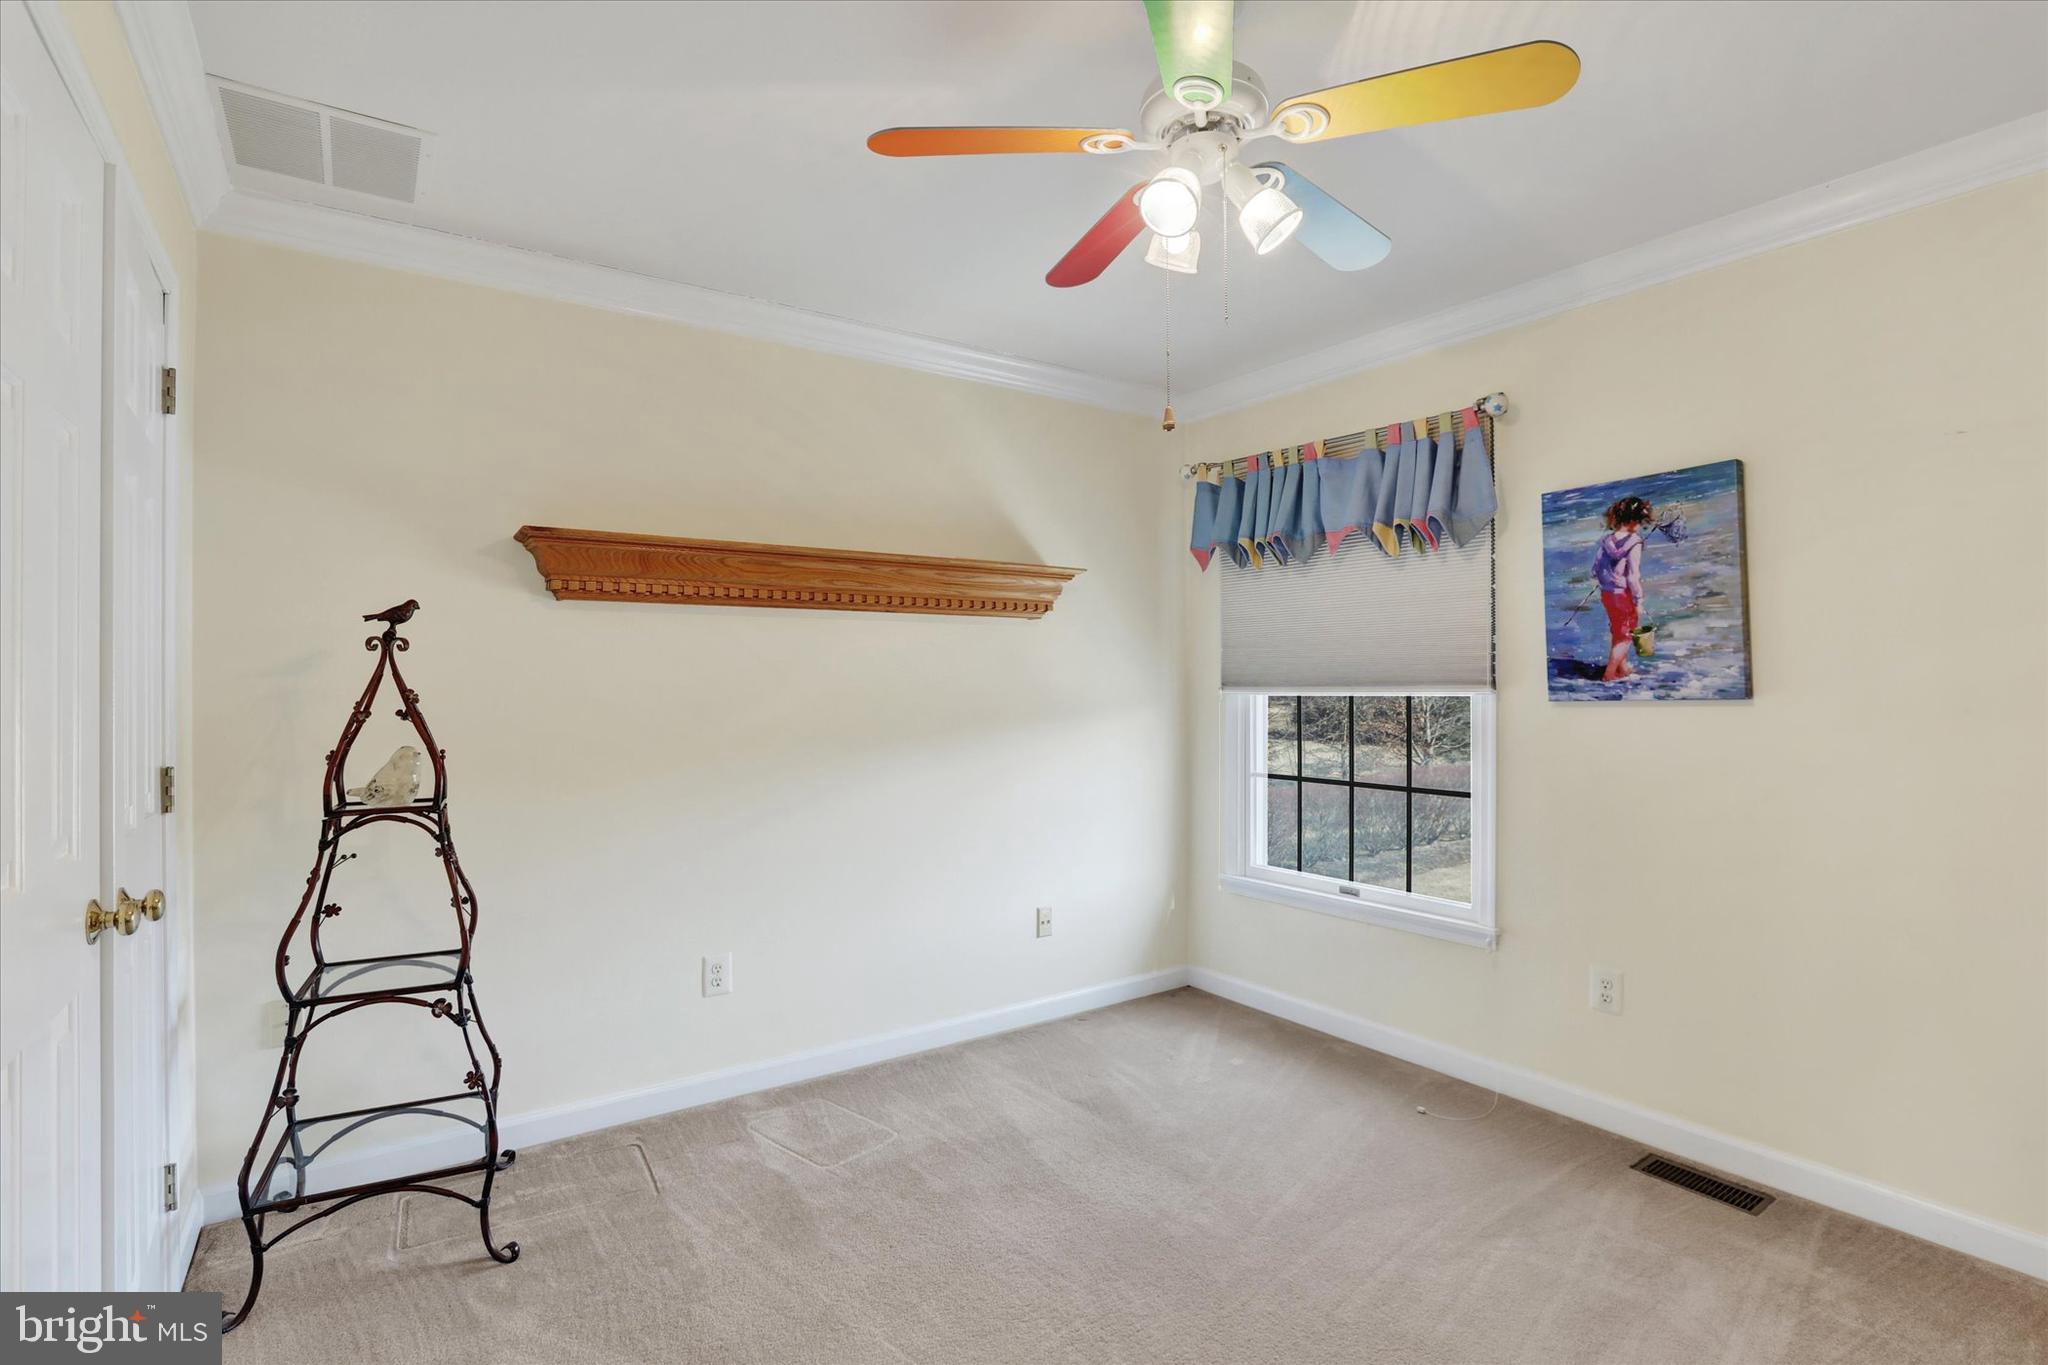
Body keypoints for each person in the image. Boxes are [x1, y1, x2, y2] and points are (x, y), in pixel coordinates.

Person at [1593, 496, 1652, 681]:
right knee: (1626, 635)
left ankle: (1623, 667)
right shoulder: (1634, 541)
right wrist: (1638, 600)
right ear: (1635, 520)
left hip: (1607, 594)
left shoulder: (1606, 541)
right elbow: (1633, 576)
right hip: (1623, 595)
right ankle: (1610, 673)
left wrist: (1608, 580)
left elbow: (1595, 569)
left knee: (1618, 630)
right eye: (1641, 521)